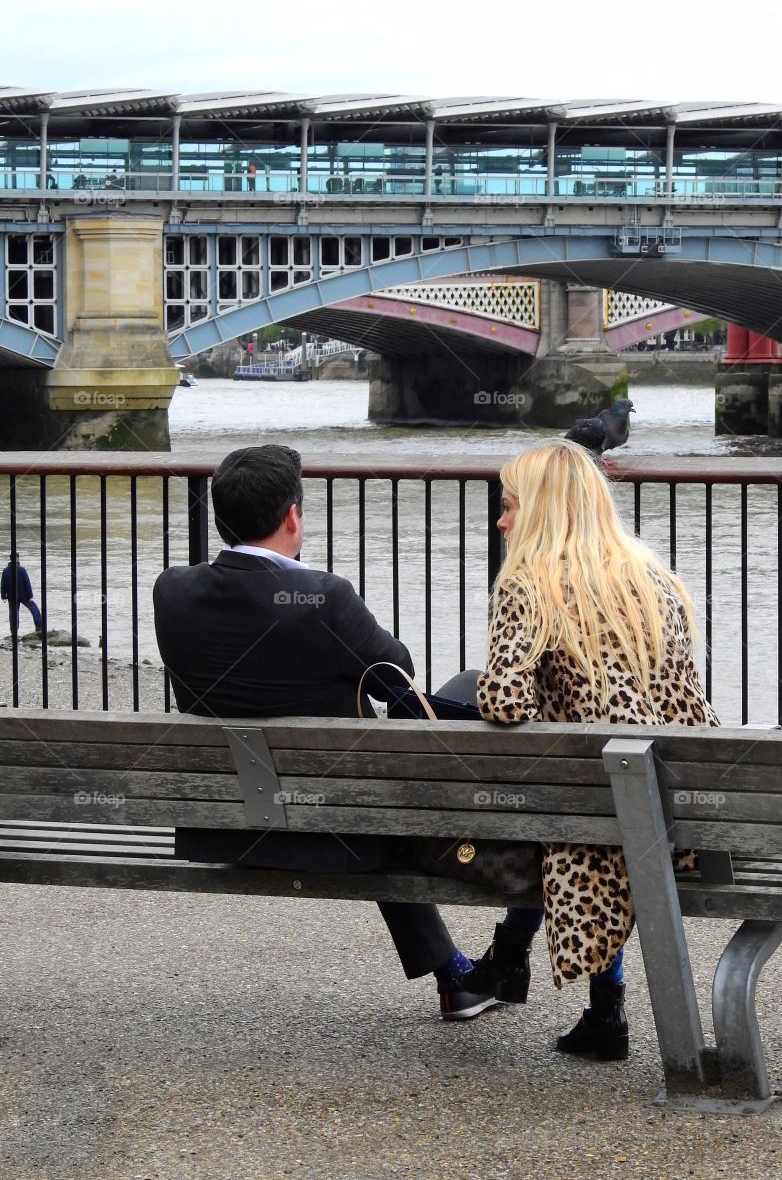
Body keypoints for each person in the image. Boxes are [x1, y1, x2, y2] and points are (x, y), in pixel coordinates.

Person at [152, 444, 497, 1021]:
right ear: (292, 516)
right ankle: (458, 975)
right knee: (465, 686)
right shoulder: (322, 597)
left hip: (223, 827)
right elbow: (397, 675)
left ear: (219, 519)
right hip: (340, 830)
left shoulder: (172, 591)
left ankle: (454, 973)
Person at [459, 440, 718, 1061]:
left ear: (542, 513)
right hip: (675, 810)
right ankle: (572, 994)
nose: (500, 522)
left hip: (590, 812)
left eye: (509, 507)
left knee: (558, 809)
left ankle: (510, 962)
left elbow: (502, 702)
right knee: (597, 803)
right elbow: (683, 703)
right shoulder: (652, 579)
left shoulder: (529, 585)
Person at [1, 553, 42, 633]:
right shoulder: (21, 570)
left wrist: (3, 595)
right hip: (24, 595)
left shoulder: (5, 571)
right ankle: (39, 627)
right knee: (34, 609)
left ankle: (14, 632)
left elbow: (3, 584)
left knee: (13, 614)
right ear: (17, 558)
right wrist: (30, 595)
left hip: (11, 596)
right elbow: (27, 583)